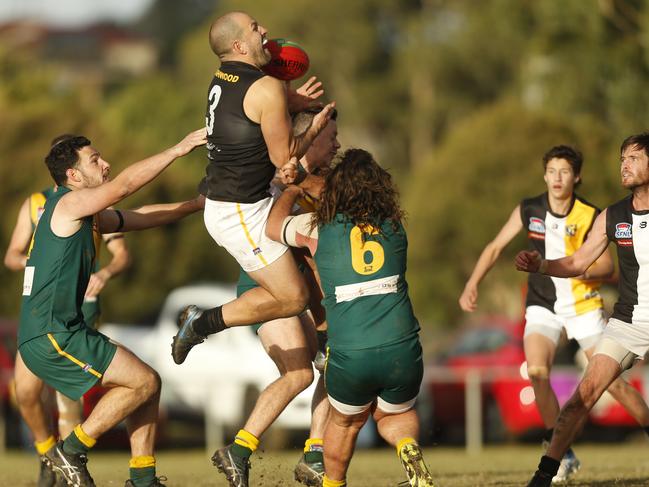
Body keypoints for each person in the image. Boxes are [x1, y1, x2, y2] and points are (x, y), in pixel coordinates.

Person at [17, 129, 206, 487]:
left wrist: (194, 206)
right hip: (52, 335)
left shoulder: (85, 215)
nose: (105, 164)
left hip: (61, 331)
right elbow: (123, 186)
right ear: (73, 175)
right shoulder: (68, 204)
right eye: (94, 160)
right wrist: (177, 149)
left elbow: (142, 215)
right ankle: (69, 450)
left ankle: (143, 478)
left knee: (148, 383)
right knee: (143, 382)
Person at [459, 145, 649, 482]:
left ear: (576, 177)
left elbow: (602, 269)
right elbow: (504, 249)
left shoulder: (589, 213)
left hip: (583, 307)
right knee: (548, 378)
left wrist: (578, 272)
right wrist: (478, 281)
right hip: (560, 307)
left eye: (633, 158)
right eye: (622, 159)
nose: (557, 178)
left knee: (615, 388)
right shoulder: (596, 213)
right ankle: (552, 464)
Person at [171, 10, 335, 364]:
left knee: (317, 237)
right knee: (293, 298)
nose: (265, 31)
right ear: (239, 45)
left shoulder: (224, 76)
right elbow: (286, 162)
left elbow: (247, 110)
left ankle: (326, 340)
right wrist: (314, 126)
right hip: (241, 212)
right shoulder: (266, 88)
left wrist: (290, 103)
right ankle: (202, 323)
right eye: (255, 28)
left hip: (244, 199)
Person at [266, 148, 436, 487]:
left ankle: (334, 484)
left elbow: (273, 228)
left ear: (337, 189)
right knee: (395, 414)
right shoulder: (395, 226)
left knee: (345, 424)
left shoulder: (317, 228)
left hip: (352, 351)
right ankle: (408, 448)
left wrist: (296, 189)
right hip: (402, 346)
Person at [519, 133, 649, 486]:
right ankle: (544, 476)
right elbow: (578, 261)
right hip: (629, 322)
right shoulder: (613, 215)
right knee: (581, 398)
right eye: (622, 158)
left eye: (634, 158)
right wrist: (542, 265)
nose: (625, 164)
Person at [5, 137, 132, 487]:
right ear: (68, 172)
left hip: (78, 306)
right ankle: (51, 455)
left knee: (67, 399)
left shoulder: (93, 203)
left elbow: (121, 250)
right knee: (26, 393)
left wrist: (104, 273)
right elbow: (12, 255)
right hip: (41, 306)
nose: (101, 163)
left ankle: (69, 462)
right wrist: (38, 260)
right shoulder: (36, 204)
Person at [227, 108, 340, 487]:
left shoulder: (326, 185)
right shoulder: (279, 182)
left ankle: (314, 456)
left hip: (305, 295)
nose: (337, 144)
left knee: (330, 366)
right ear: (311, 136)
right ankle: (237, 452)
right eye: (331, 137)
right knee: (298, 373)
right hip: (269, 290)